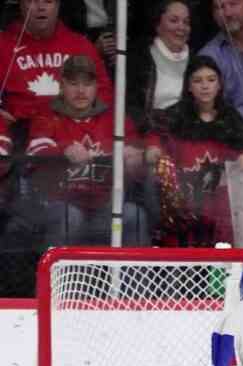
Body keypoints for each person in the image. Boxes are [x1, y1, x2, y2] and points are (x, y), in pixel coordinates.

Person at [24, 54, 147, 246]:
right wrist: (64, 150)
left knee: (134, 216)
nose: (81, 91)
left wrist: (135, 159)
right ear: (62, 85)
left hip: (104, 208)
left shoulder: (114, 117)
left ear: (96, 86)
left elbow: (138, 154)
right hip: (61, 205)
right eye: (73, 83)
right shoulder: (47, 115)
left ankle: (131, 277)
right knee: (71, 218)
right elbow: (34, 152)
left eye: (87, 84)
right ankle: (57, 277)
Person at [144, 55, 243, 247]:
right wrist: (153, 149)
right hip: (181, 205)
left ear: (220, 84)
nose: (205, 86)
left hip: (221, 207)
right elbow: (155, 140)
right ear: (188, 86)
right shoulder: (174, 115)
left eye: (211, 80)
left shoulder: (231, 117)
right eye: (197, 80)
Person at [0, 0, 113, 125]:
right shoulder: (3, 45)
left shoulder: (81, 46)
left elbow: (104, 95)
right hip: (18, 130)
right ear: (20, 5)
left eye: (48, 1)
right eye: (32, 1)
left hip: (70, 128)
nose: (41, 7)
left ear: (58, 5)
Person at [126, 0, 192, 133]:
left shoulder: (197, 61)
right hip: (146, 135)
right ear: (157, 25)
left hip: (187, 137)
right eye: (174, 21)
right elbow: (129, 108)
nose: (181, 27)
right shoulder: (138, 58)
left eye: (186, 22)